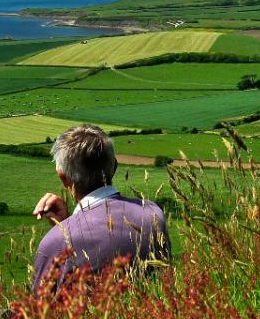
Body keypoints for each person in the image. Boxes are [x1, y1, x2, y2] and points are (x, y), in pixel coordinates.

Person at [31, 125, 170, 293]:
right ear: (114, 167)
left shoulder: (54, 243)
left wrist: (64, 231)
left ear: (64, 178)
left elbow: (40, 312)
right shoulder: (153, 214)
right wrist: (66, 224)